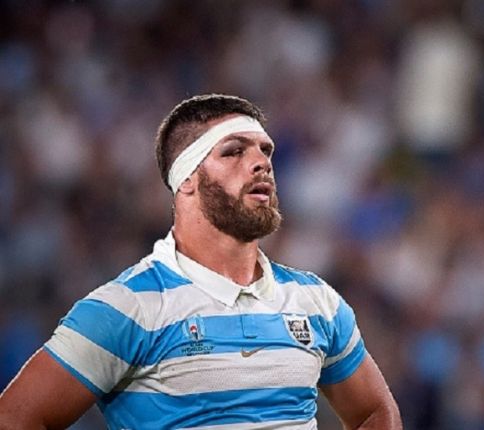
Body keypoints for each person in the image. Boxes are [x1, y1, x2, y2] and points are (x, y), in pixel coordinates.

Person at [0, 94, 402, 429]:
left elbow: (375, 412)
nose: (261, 162)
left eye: (265, 150)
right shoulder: (129, 308)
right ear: (187, 179)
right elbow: (16, 419)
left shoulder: (316, 301)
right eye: (234, 152)